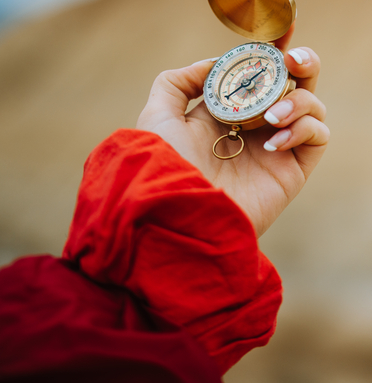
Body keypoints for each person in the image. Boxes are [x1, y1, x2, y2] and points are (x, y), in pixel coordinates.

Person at [0, 32, 328, 382]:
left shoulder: (23, 309)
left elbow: (87, 327)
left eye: (251, 81)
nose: (247, 81)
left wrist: (185, 198)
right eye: (244, 80)